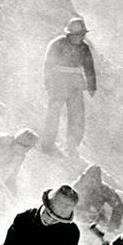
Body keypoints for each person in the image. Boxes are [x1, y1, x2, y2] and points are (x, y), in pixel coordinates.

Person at [39, 17, 96, 155]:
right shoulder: (57, 44)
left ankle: (72, 145)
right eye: (77, 35)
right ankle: (47, 144)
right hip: (58, 83)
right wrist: (48, 82)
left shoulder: (84, 47)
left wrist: (91, 85)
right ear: (69, 34)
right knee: (53, 114)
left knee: (77, 116)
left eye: (81, 34)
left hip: (76, 84)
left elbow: (89, 66)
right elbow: (48, 64)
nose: (79, 37)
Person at [73, 163, 123, 233]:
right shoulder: (76, 187)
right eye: (90, 178)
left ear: (99, 180)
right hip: (77, 219)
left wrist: (113, 223)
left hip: (96, 221)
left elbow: (119, 206)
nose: (92, 182)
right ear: (85, 177)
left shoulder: (104, 190)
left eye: (95, 179)